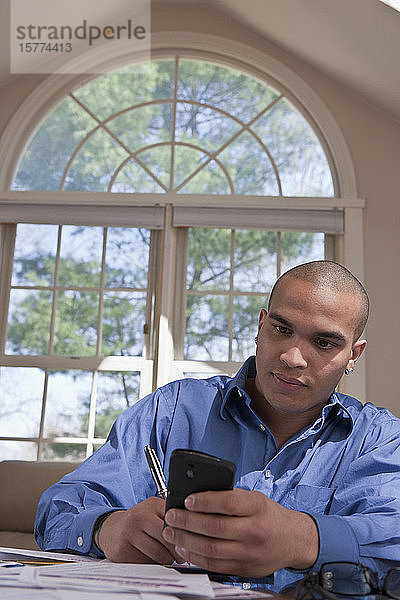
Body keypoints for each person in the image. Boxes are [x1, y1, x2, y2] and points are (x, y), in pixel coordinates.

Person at [35, 260, 400, 592]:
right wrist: (106, 529)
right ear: (260, 326)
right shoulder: (171, 410)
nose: (292, 358)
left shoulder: (378, 439)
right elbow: (57, 509)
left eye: (323, 342)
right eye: (280, 329)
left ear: (353, 355)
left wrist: (302, 539)